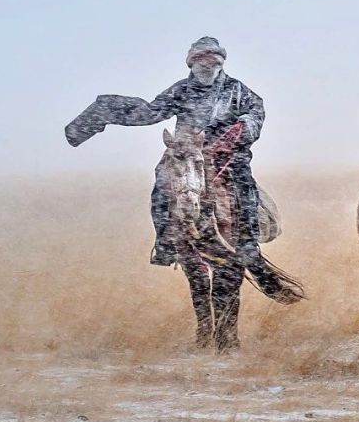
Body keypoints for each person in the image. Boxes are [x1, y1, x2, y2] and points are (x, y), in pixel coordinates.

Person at [65, 36, 282, 273]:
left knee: (243, 183)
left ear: (221, 62)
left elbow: (256, 110)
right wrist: (103, 111)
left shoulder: (237, 89)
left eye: (212, 59)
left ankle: (248, 244)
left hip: (228, 155)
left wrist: (241, 128)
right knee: (161, 182)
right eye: (201, 59)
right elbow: (151, 112)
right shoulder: (181, 90)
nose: (207, 64)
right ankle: (165, 243)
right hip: (185, 153)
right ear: (191, 62)